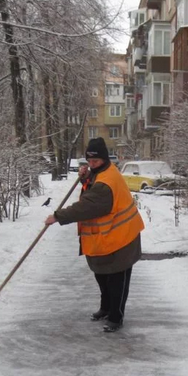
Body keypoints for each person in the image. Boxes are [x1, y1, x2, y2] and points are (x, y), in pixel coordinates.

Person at [45, 138, 144, 332]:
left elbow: (88, 206)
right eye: (89, 162)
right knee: (102, 275)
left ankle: (116, 316)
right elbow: (93, 187)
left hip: (122, 238)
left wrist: (58, 216)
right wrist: (86, 177)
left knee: (117, 279)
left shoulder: (106, 182)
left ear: (105, 159)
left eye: (96, 162)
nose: (92, 165)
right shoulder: (102, 173)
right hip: (108, 238)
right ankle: (106, 308)